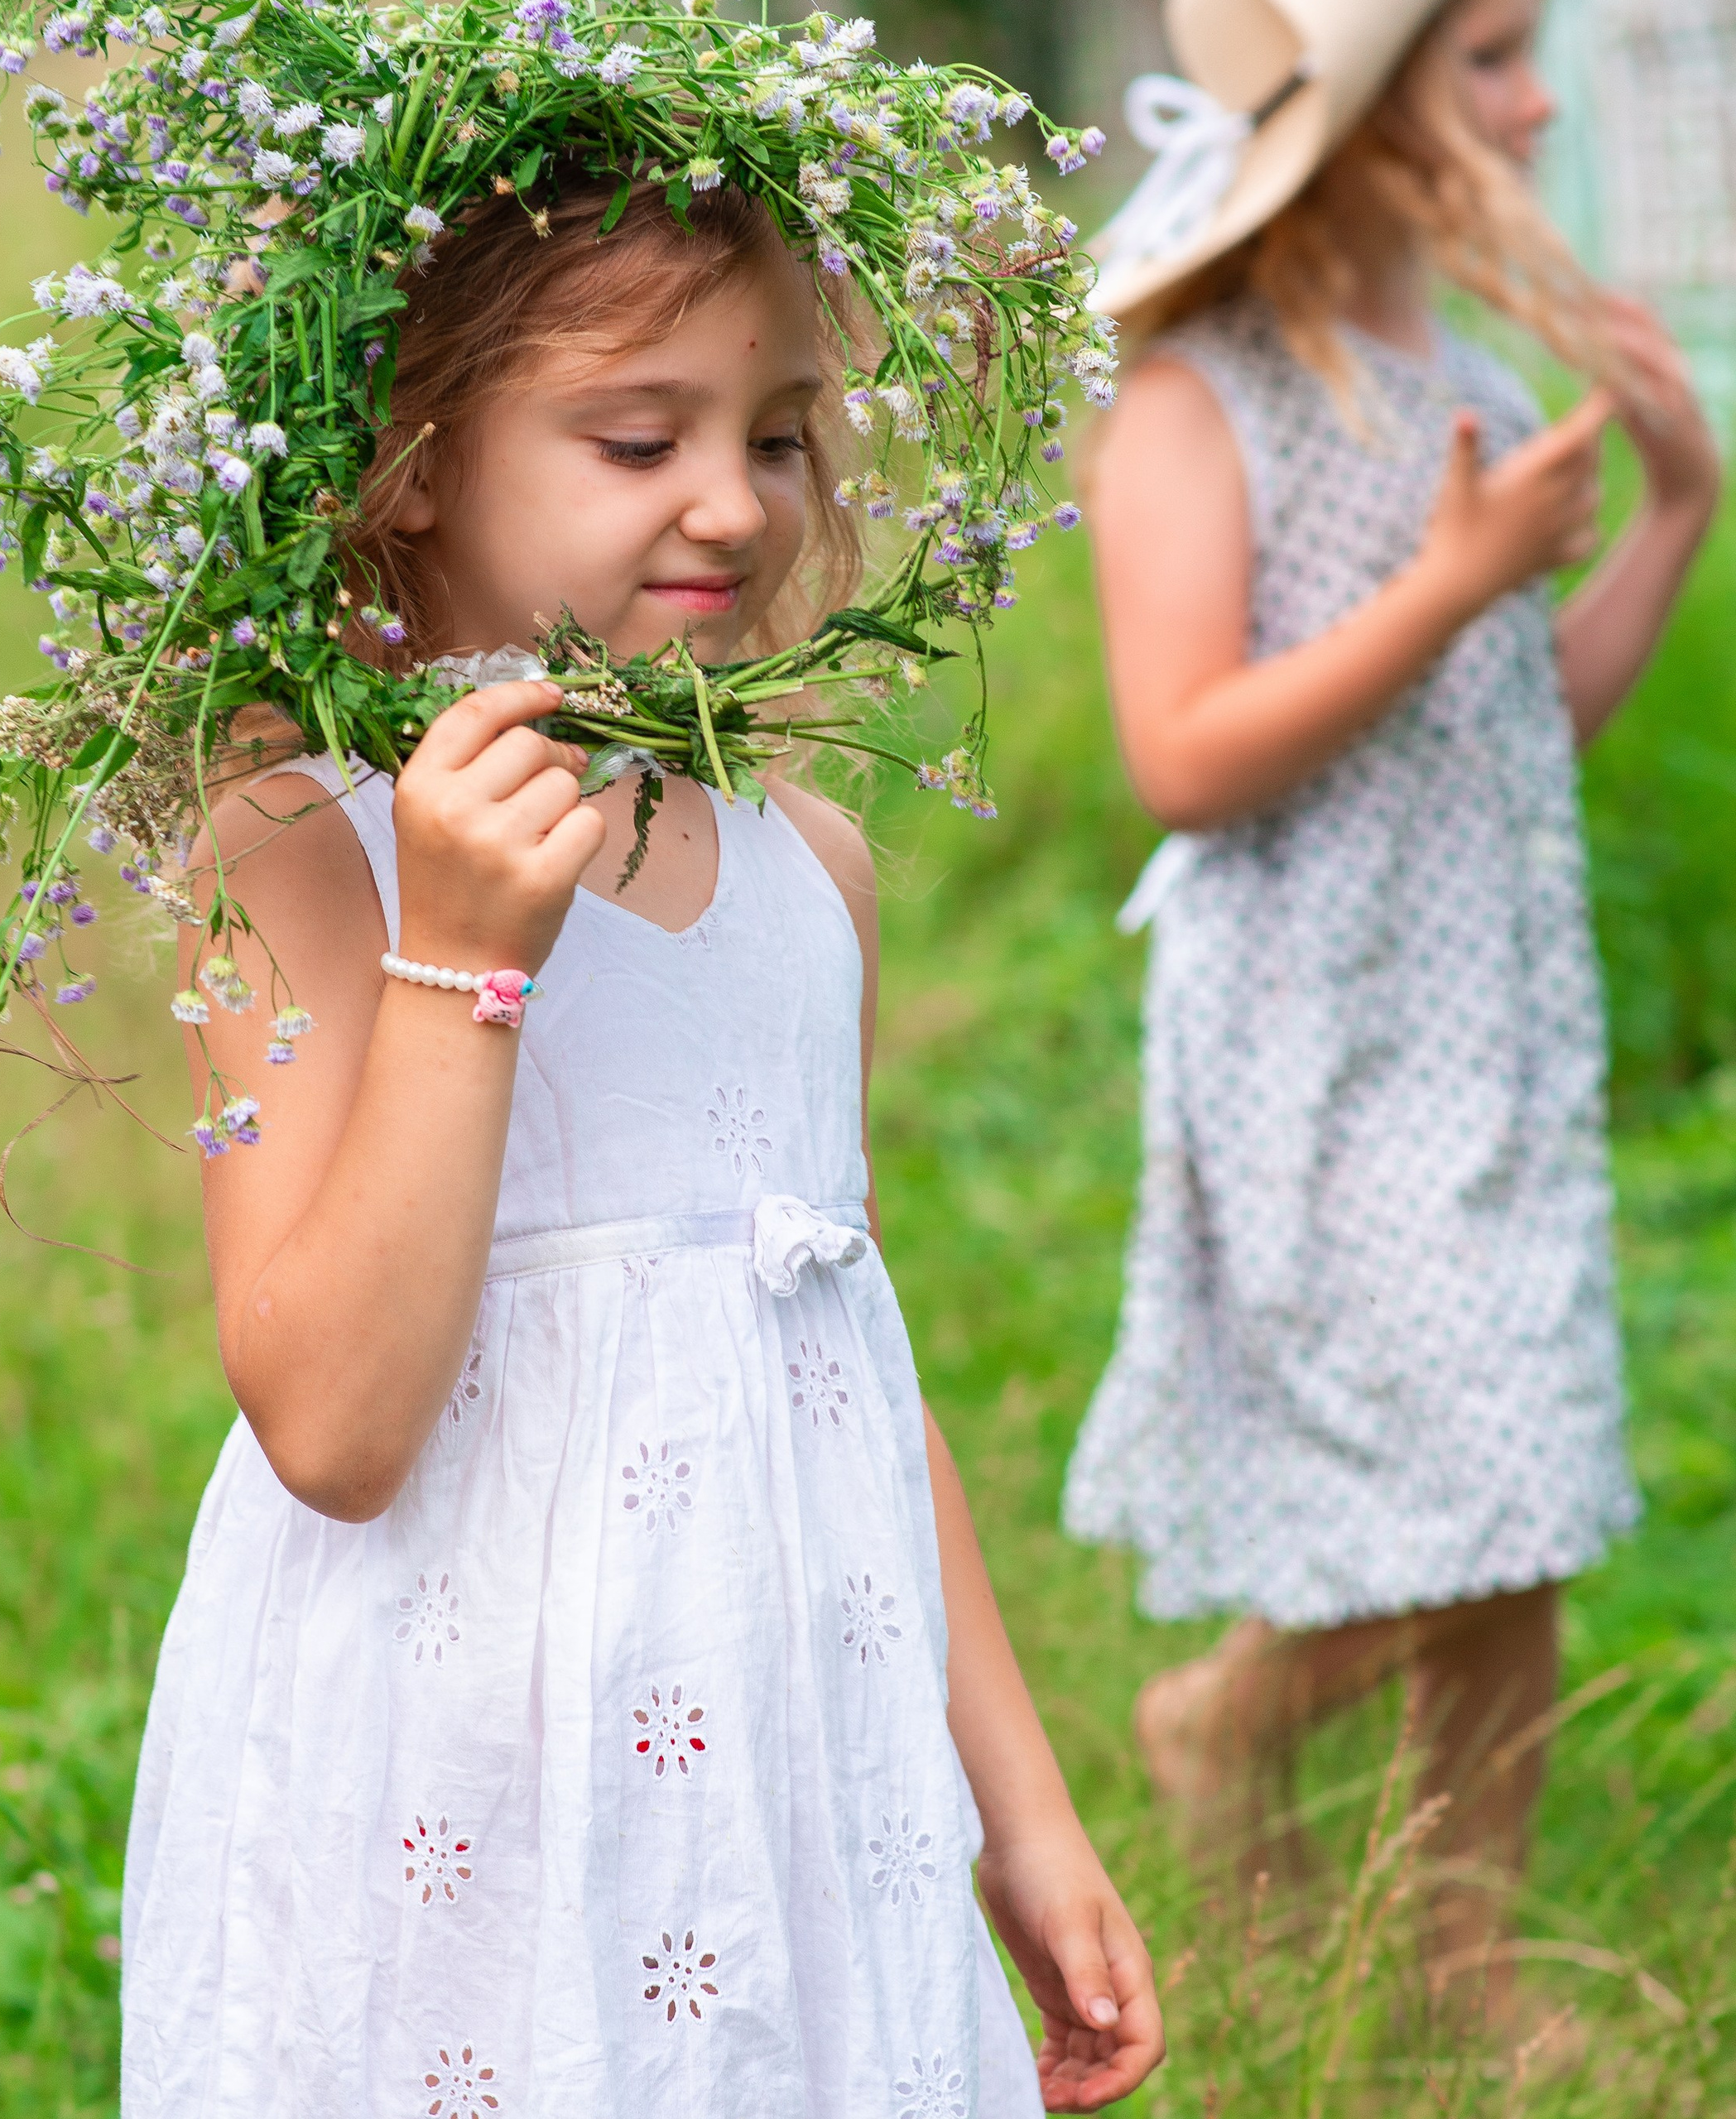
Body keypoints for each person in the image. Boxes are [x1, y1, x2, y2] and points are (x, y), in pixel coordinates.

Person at [120, 172, 1163, 2117]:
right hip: (456, 1777)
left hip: (783, 1764)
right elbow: (333, 1431)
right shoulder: (303, 852)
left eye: (771, 434)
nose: (732, 501)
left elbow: (843, 1350)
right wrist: (462, 963)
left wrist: (1016, 1810)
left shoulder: (808, 869)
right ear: (411, 461)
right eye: (635, 436)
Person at [1062, 0, 1721, 2025]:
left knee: (1514, 1489)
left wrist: (1672, 518)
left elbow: (1506, 733)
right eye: (1490, 58)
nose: (1534, 101)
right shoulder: (1202, 399)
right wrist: (1441, 585)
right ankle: (1225, 1716)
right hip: (1319, 1052)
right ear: (1349, 126)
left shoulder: (1444, 370)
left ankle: (1461, 1946)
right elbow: (1179, 751)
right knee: (1463, 1477)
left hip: (1486, 1027)